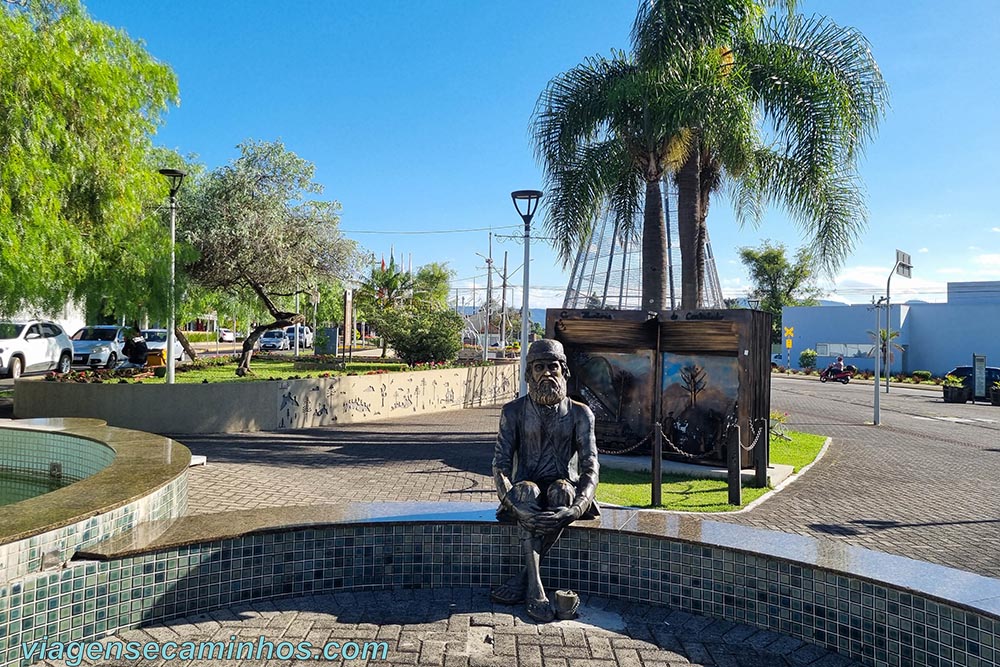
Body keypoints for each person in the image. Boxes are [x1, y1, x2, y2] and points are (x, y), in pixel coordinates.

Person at [491, 338, 599, 622]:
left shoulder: (580, 413)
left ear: (564, 371)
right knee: (526, 491)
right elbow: (500, 466)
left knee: (562, 491)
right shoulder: (513, 412)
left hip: (564, 491)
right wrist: (514, 506)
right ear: (529, 374)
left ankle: (524, 579)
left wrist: (577, 508)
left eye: (553, 366)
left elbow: (590, 466)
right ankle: (535, 588)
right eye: (539, 367)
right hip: (525, 493)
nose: (547, 373)